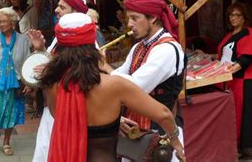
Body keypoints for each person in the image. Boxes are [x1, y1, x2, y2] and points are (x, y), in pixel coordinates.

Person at [40, 12, 185, 162]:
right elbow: (164, 114)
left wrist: (117, 119)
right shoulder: (114, 85)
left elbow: (70, 116)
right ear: (92, 46)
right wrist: (175, 139)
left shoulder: (51, 83)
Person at [100, 0, 185, 162]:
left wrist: (104, 66)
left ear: (153, 17)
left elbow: (135, 87)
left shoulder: (166, 49)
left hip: (160, 133)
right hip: (136, 132)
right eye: (128, 18)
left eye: (134, 18)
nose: (129, 25)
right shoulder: (139, 47)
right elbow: (122, 75)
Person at [28, 0, 89, 162]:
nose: (56, 10)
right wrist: (40, 49)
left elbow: (85, 76)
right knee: (44, 152)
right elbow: (53, 62)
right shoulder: (61, 35)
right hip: (52, 108)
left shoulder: (87, 41)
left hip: (69, 111)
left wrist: (50, 71)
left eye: (62, 7)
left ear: (75, 13)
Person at [0, 7, 31, 156]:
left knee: (11, 113)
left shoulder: (23, 40)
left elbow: (27, 62)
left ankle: (6, 141)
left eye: (4, 21)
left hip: (16, 84)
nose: (0, 24)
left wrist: (28, 82)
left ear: (12, 22)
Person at [216, 2, 252, 158]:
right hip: (229, 80)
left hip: (243, 80)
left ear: (244, 17)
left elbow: (245, 59)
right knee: (232, 114)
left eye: (236, 15)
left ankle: (244, 147)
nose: (232, 18)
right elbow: (226, 57)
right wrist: (207, 56)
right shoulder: (229, 36)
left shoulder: (248, 34)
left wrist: (228, 72)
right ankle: (233, 145)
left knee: (242, 115)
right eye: (230, 15)